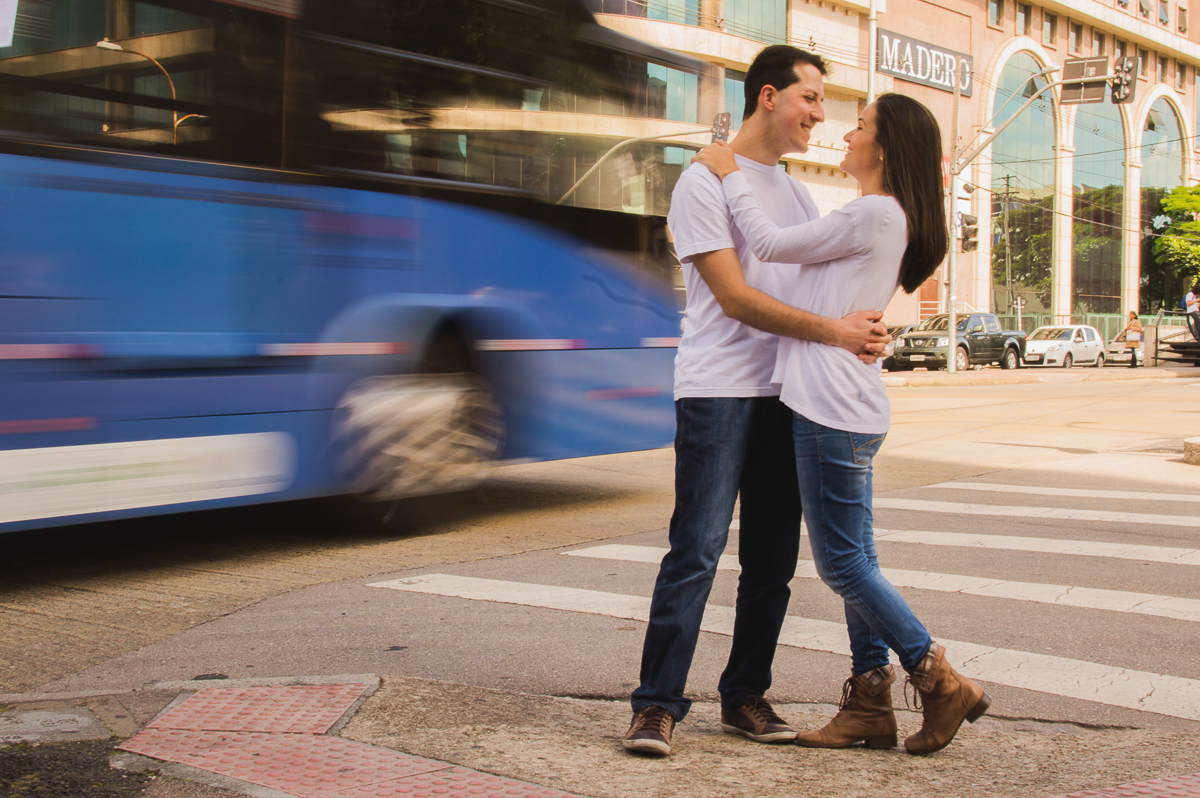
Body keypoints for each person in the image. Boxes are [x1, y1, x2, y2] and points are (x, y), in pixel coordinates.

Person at [691, 92, 991, 756]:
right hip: (841, 403)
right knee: (860, 559)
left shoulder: (874, 213)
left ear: (884, 148)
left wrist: (727, 171)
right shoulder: (880, 217)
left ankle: (938, 679)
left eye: (860, 126)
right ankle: (869, 702)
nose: (846, 134)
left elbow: (767, 244)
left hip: (831, 408)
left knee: (844, 565)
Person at [621, 45, 892, 758]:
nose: (820, 115)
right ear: (769, 96)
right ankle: (655, 705)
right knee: (697, 550)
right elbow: (736, 298)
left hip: (787, 394)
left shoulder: (795, 194)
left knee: (772, 561)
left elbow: (814, 289)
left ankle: (744, 694)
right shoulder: (703, 180)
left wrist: (861, 328)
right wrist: (833, 331)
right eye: (811, 98)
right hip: (718, 389)